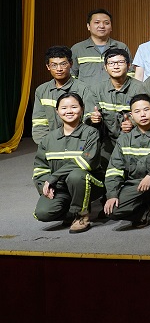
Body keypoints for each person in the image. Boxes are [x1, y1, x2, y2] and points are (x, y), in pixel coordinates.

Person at [102, 93, 150, 228]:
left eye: (146, 110)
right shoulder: (124, 139)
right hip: (135, 185)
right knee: (112, 210)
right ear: (131, 115)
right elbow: (114, 169)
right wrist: (112, 195)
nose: (142, 115)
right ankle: (142, 211)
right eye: (137, 111)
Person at [32, 91, 101, 233]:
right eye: (64, 108)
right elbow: (40, 168)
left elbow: (86, 162)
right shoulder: (48, 139)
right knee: (42, 213)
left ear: (82, 109)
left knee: (76, 175)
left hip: (88, 183)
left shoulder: (91, 133)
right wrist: (45, 185)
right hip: (60, 188)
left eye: (74, 107)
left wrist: (54, 177)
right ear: (57, 111)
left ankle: (82, 215)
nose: (69, 111)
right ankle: (71, 212)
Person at [86, 48, 149, 167]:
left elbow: (148, 116)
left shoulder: (140, 88)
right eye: (111, 63)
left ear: (129, 65)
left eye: (120, 62)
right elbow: (88, 115)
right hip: (106, 142)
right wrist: (93, 118)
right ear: (105, 67)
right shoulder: (96, 90)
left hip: (135, 139)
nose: (116, 66)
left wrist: (133, 122)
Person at [32, 45, 92, 143]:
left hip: (78, 143)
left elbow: (88, 122)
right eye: (54, 65)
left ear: (71, 64)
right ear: (48, 67)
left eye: (63, 64)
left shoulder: (84, 89)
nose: (59, 69)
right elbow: (39, 122)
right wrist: (45, 144)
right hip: (50, 143)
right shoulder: (42, 90)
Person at [71, 8, 131, 84]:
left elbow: (130, 73)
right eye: (97, 22)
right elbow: (71, 76)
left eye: (106, 23)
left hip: (115, 91)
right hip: (86, 92)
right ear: (88, 26)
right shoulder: (77, 49)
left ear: (111, 27)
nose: (102, 26)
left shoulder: (121, 47)